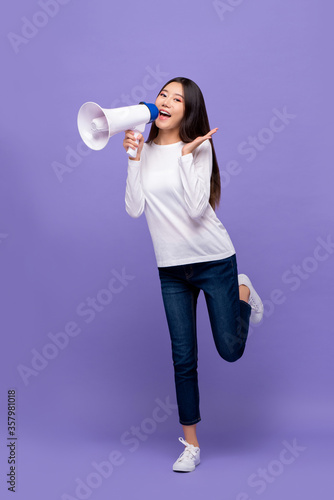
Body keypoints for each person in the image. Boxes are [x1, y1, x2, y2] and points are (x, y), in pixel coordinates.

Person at [123, 77, 264, 472]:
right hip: (170, 268)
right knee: (183, 357)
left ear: (189, 110)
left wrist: (187, 155)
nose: (166, 102)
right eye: (162, 94)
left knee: (230, 351)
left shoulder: (199, 146)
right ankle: (191, 444)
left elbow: (197, 207)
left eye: (177, 99)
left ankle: (242, 290)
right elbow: (135, 208)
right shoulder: (145, 150)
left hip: (214, 260)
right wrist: (133, 159)